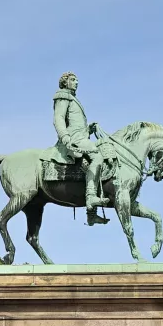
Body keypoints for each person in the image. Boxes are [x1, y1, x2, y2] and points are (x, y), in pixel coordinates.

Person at [50, 71, 112, 226]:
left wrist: (89, 129)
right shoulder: (62, 96)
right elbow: (58, 119)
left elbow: (76, 123)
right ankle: (91, 196)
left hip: (81, 137)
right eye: (73, 80)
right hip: (75, 139)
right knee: (98, 156)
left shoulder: (72, 99)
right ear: (65, 82)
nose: (76, 82)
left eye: (77, 80)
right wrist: (65, 137)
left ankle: (91, 215)